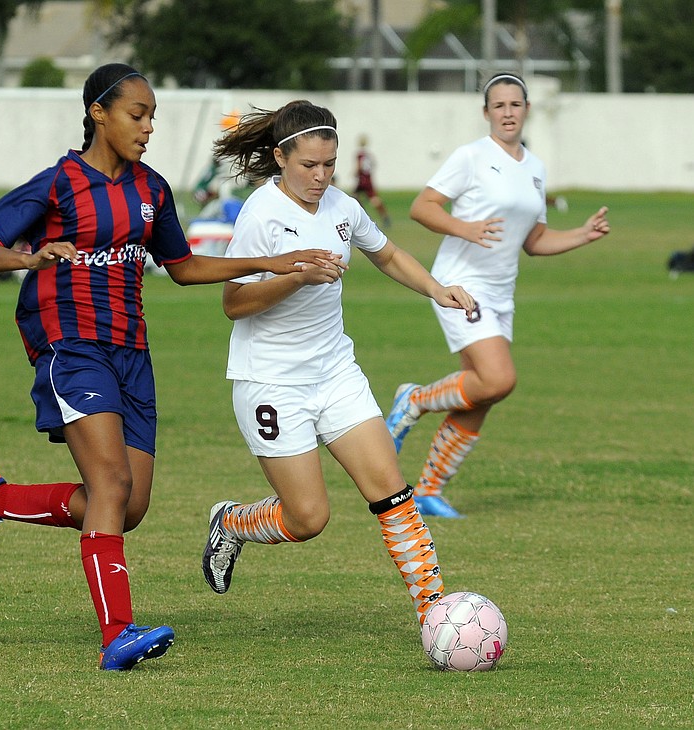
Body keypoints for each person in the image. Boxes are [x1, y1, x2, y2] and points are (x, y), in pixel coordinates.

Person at [0, 64, 338, 672]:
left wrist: (277, 261)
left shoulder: (151, 190)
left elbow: (182, 267)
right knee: (111, 487)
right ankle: (117, 635)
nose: (148, 127)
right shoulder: (57, 183)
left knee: (128, 507)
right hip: (71, 347)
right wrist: (32, 255)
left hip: (133, 353)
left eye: (153, 116)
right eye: (137, 114)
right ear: (98, 113)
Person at [199, 100, 477, 633]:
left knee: (393, 492)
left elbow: (388, 254)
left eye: (329, 164)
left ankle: (435, 614)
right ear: (281, 158)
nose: (321, 176)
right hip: (271, 383)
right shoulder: (260, 215)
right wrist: (295, 277)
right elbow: (233, 304)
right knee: (308, 519)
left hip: (335, 373)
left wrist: (437, 290)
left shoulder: (342, 209)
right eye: (309, 166)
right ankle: (232, 521)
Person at [385, 72, 610, 518]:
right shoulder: (471, 157)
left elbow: (535, 240)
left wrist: (583, 235)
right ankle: (413, 400)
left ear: (527, 109)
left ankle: (429, 489)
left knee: (482, 393)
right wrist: (463, 227)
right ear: (486, 113)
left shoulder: (536, 168)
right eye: (499, 106)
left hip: (502, 292)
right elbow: (422, 207)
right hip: (461, 284)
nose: (508, 113)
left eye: (515, 105)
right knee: (498, 379)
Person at [353, 134, 390, 228]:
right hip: (368, 178)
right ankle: (385, 217)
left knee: (354, 198)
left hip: (362, 180)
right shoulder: (369, 154)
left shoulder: (360, 154)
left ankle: (363, 218)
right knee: (374, 199)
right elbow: (373, 164)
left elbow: (359, 165)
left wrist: (355, 173)